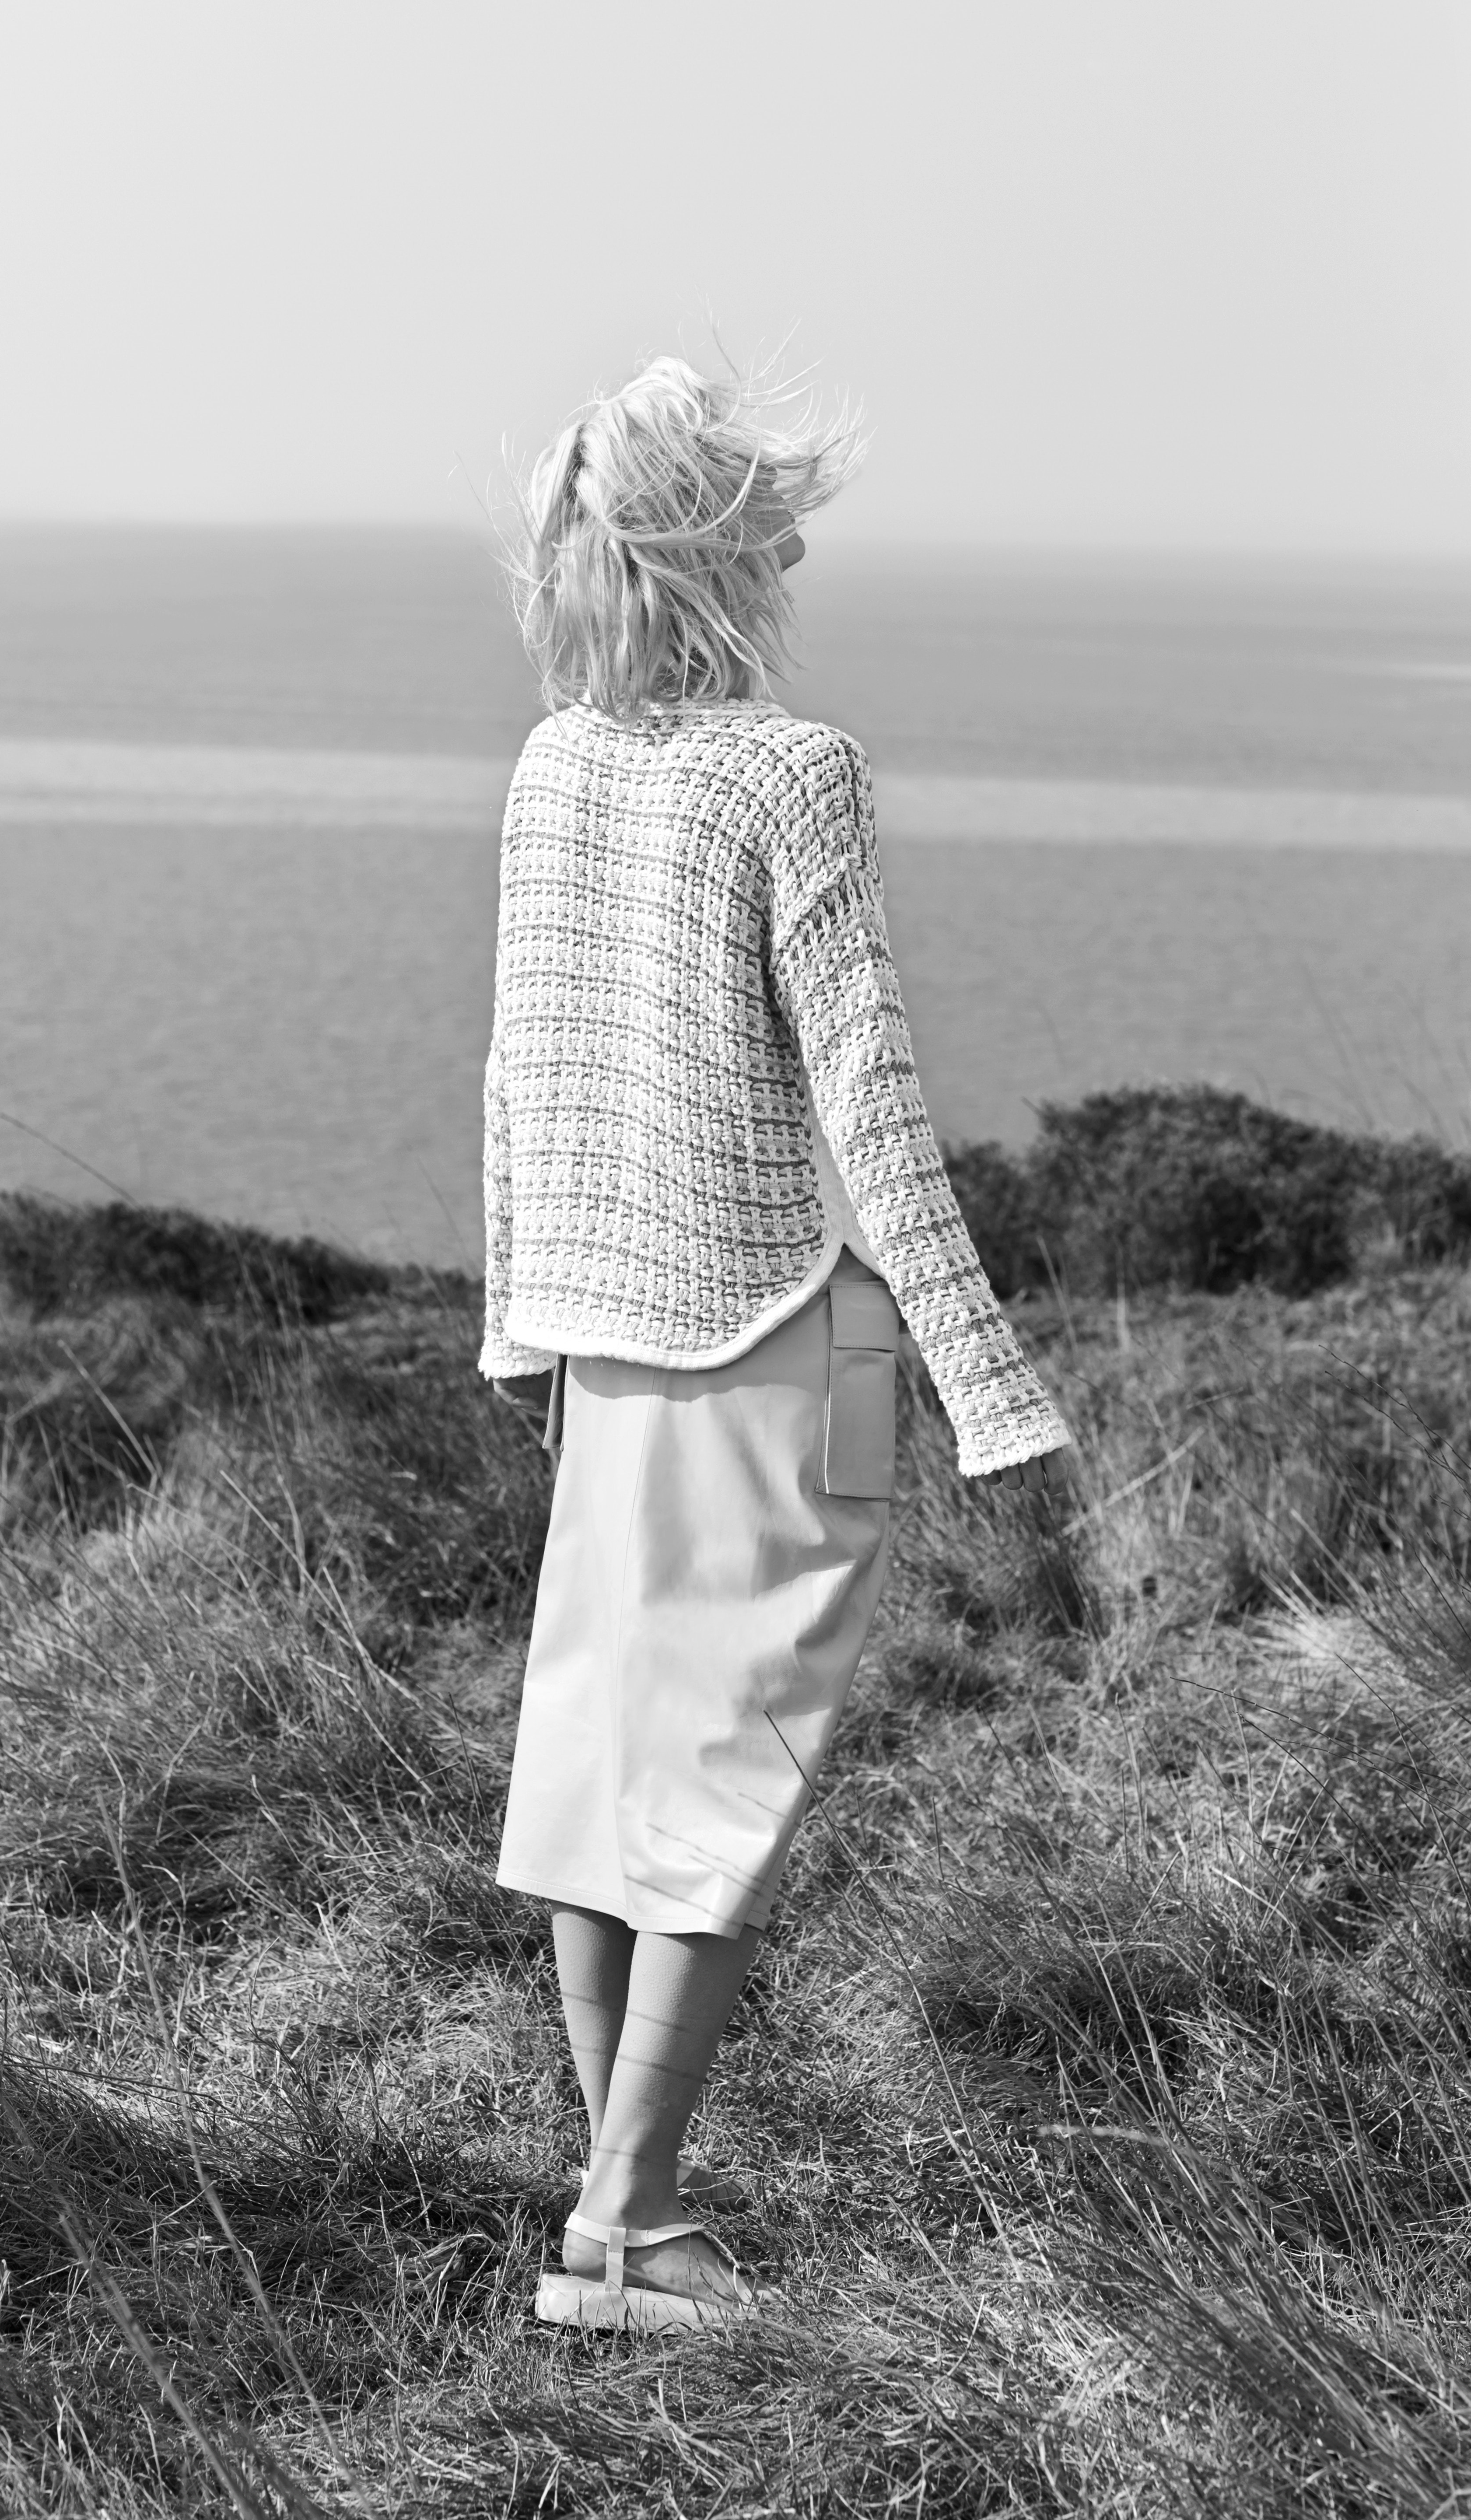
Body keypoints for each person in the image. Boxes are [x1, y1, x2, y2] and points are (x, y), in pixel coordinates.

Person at [480, 357, 1071, 2332]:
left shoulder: (551, 766)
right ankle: (636, 2224)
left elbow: (518, 1084)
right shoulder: (791, 770)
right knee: (724, 1780)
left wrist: (518, 1327)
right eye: (771, 522)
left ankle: (616, 2216)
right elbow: (871, 1104)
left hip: (605, 1345)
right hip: (796, 1345)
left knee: (603, 1778)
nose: (797, 552)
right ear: (716, 556)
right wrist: (994, 1393)